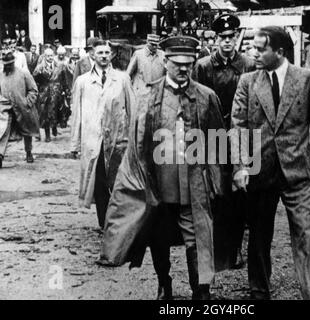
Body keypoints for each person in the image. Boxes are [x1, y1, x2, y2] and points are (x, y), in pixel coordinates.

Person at [98, 36, 226, 300]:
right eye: (177, 63)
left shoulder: (206, 97)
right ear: (165, 61)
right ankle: (163, 283)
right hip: (158, 182)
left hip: (194, 184)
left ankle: (200, 291)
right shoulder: (147, 96)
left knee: (198, 238)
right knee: (159, 239)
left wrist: (217, 179)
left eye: (188, 64)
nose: (183, 69)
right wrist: (137, 182)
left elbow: (218, 141)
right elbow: (137, 145)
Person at [231, 26, 310, 300]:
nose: (254, 53)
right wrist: (240, 166)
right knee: (258, 237)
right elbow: (238, 126)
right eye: (253, 47)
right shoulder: (248, 82)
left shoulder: (306, 79)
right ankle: (259, 292)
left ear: (279, 51)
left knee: (306, 235)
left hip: (298, 172)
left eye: (261, 48)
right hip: (260, 172)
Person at [193, 13, 255, 269]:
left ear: (237, 37)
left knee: (241, 192)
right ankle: (217, 247)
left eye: (231, 37)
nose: (227, 42)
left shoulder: (249, 64)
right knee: (216, 192)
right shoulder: (204, 66)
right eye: (222, 37)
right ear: (215, 39)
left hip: (242, 136)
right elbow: (197, 101)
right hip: (213, 137)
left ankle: (237, 247)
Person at [70, 40, 136, 230]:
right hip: (93, 140)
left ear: (112, 55)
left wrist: (133, 139)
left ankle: (118, 221)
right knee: (99, 182)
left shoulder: (122, 79)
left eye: (107, 52)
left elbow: (132, 110)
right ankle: (104, 223)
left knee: (118, 182)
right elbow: (77, 115)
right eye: (100, 53)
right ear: (92, 54)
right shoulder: (83, 81)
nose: (104, 56)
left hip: (118, 139)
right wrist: (74, 144)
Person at [0, 51, 39, 168]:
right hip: (6, 108)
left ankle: (28, 152)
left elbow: (33, 90)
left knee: (27, 131)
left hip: (23, 108)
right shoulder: (1, 75)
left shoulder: (24, 73)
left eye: (9, 64)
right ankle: (0, 155)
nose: (7, 67)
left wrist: (27, 102)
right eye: (5, 64)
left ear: (13, 63)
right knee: (3, 131)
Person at [34, 48, 71, 141]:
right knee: (45, 114)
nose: (50, 57)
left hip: (56, 93)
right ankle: (47, 135)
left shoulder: (60, 66)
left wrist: (66, 91)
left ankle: (54, 128)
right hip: (44, 94)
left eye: (51, 55)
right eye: (48, 56)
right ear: (44, 56)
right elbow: (34, 80)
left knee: (56, 112)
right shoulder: (40, 67)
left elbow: (64, 79)